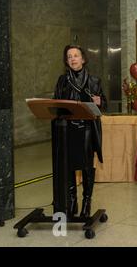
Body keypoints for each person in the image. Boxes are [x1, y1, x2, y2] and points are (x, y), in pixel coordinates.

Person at [53, 45, 107, 218]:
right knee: (68, 166)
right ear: (66, 61)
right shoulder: (62, 81)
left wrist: (100, 102)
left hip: (86, 131)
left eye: (76, 55)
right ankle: (71, 203)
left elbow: (103, 104)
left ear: (83, 59)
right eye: (69, 56)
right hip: (67, 130)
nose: (73, 59)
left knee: (85, 166)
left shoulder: (94, 81)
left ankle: (86, 203)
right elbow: (56, 104)